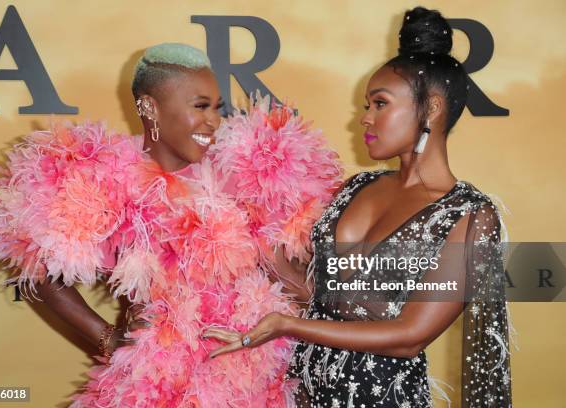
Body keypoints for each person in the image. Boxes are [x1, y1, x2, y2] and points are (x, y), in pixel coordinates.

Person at [0, 43, 342, 406]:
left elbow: (298, 271)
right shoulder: (108, 180)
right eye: (199, 106)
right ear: (150, 107)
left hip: (255, 377)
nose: (213, 121)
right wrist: (106, 337)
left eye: (217, 108)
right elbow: (34, 264)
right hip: (160, 383)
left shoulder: (243, 171)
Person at [204, 7, 512, 408]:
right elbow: (327, 297)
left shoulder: (468, 214)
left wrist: (286, 326)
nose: (364, 119)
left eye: (379, 104)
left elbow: (409, 336)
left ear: (432, 108)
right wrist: (253, 244)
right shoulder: (358, 186)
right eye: (367, 105)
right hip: (302, 392)